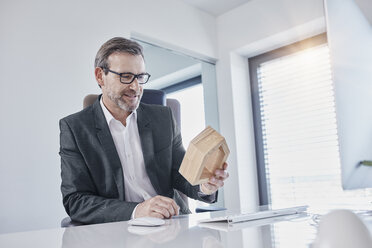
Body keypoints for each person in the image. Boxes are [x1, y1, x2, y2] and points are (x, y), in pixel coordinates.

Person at [59, 37, 229, 224]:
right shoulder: (74, 128)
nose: (135, 87)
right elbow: (75, 201)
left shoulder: (163, 118)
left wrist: (204, 186)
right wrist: (137, 210)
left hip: (172, 223)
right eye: (125, 76)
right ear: (100, 76)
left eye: (140, 77)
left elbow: (182, 175)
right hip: (119, 229)